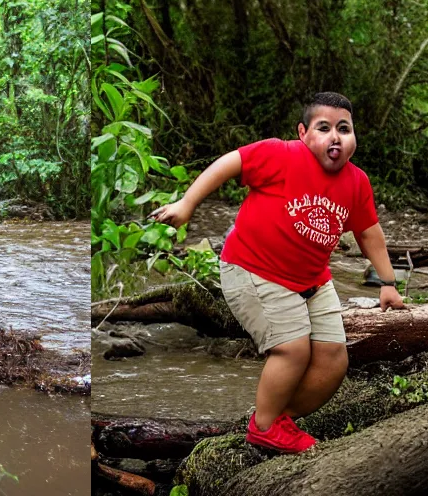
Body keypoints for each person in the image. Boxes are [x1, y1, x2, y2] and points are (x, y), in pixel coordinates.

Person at [150, 92, 405, 454]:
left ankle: (275, 418)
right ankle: (265, 426)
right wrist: (187, 203)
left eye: (344, 129)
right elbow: (230, 162)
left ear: (354, 138)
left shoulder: (357, 182)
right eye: (324, 128)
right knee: (293, 349)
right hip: (253, 270)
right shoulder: (282, 154)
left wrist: (389, 283)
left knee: (334, 359)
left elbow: (368, 233)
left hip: (313, 280)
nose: (335, 136)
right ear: (303, 133)